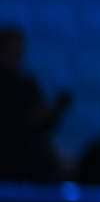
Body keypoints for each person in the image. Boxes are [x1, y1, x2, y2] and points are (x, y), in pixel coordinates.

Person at [0, 25, 70, 183]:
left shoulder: (26, 84)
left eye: (18, 50)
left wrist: (56, 109)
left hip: (27, 163)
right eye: (10, 49)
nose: (16, 55)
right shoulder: (20, 86)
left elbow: (41, 124)